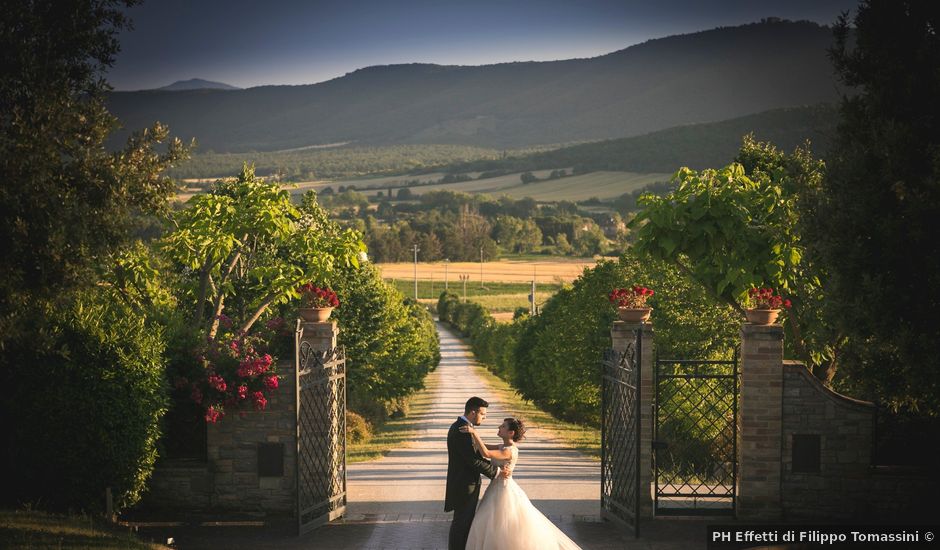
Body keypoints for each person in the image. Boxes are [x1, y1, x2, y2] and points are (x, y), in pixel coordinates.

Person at [460, 417, 582, 550]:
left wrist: (474, 433)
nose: (499, 428)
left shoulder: (509, 450)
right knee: (487, 523)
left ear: (511, 433)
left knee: (499, 524)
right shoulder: (503, 446)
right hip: (495, 487)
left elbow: (486, 453)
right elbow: (480, 447)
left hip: (503, 490)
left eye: (503, 426)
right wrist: (470, 437)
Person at [446, 396, 511, 550]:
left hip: (464, 483)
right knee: (462, 524)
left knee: (463, 523)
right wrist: (497, 472)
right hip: (464, 485)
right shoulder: (463, 430)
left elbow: (480, 452)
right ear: (473, 412)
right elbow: (473, 460)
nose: (485, 417)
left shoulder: (463, 427)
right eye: (482, 414)